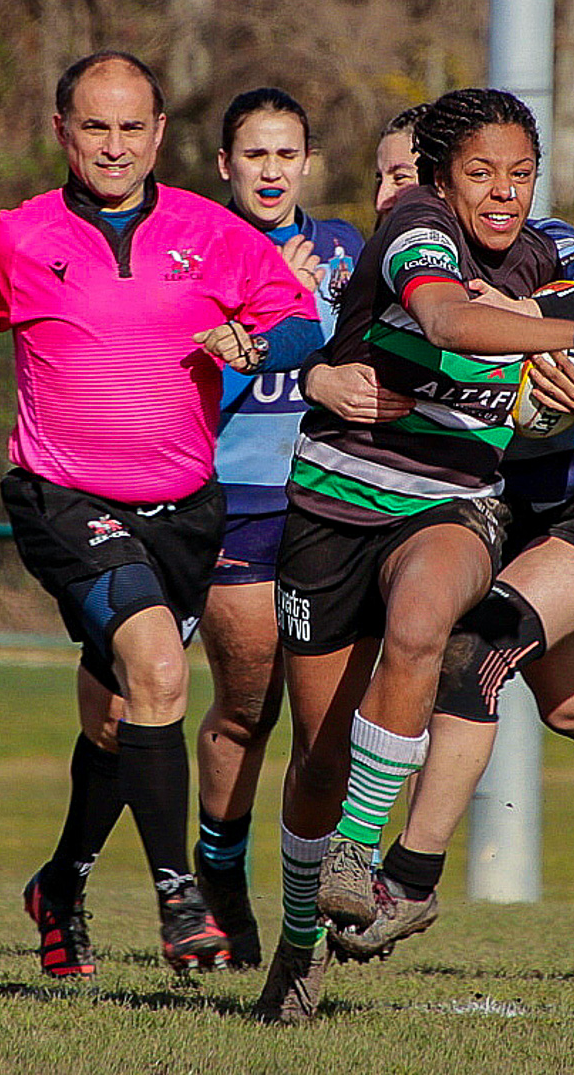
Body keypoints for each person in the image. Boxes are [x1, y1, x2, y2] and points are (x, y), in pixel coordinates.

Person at [252, 87, 574, 1023]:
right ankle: (296, 943)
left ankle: (361, 855)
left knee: (424, 622)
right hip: (333, 505)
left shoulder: (538, 252)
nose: (503, 192)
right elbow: (446, 321)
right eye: (481, 173)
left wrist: (566, 343)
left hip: (453, 502)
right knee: (318, 758)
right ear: (442, 177)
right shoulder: (416, 227)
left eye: (521, 173)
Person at [0, 52, 323, 979]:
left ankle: (60, 885)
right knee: (158, 666)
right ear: (61, 130)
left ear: (159, 133)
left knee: (120, 717)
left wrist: (256, 341)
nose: (114, 146)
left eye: (131, 127)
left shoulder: (212, 231)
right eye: (95, 127)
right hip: (65, 498)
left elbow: (301, 320)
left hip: (184, 512)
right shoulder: (18, 236)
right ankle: (179, 894)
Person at [189, 87, 364, 969]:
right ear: (225, 164)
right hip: (238, 499)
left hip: (332, 498)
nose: (270, 170)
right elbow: (183, 381)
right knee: (249, 705)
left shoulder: (345, 250)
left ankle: (327, 896)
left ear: (308, 161)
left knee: (330, 721)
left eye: (286, 153)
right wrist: (272, 306)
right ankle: (219, 872)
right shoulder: (192, 250)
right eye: (254, 154)